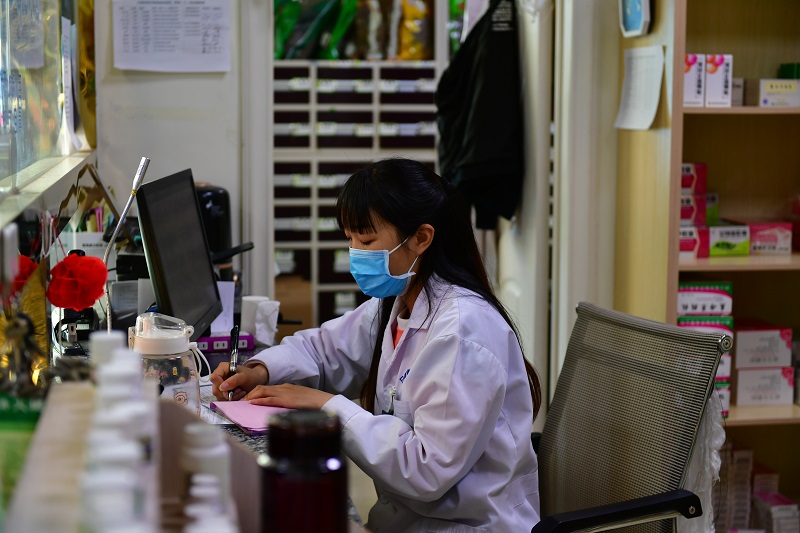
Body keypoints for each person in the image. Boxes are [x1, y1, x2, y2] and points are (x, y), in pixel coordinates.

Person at [211, 157, 542, 531]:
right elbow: (326, 349)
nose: (355, 252)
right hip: (407, 519)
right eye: (350, 238)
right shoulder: (401, 299)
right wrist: (260, 370)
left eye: (366, 240)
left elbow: (427, 470)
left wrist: (327, 406)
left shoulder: (463, 331)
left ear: (421, 238)